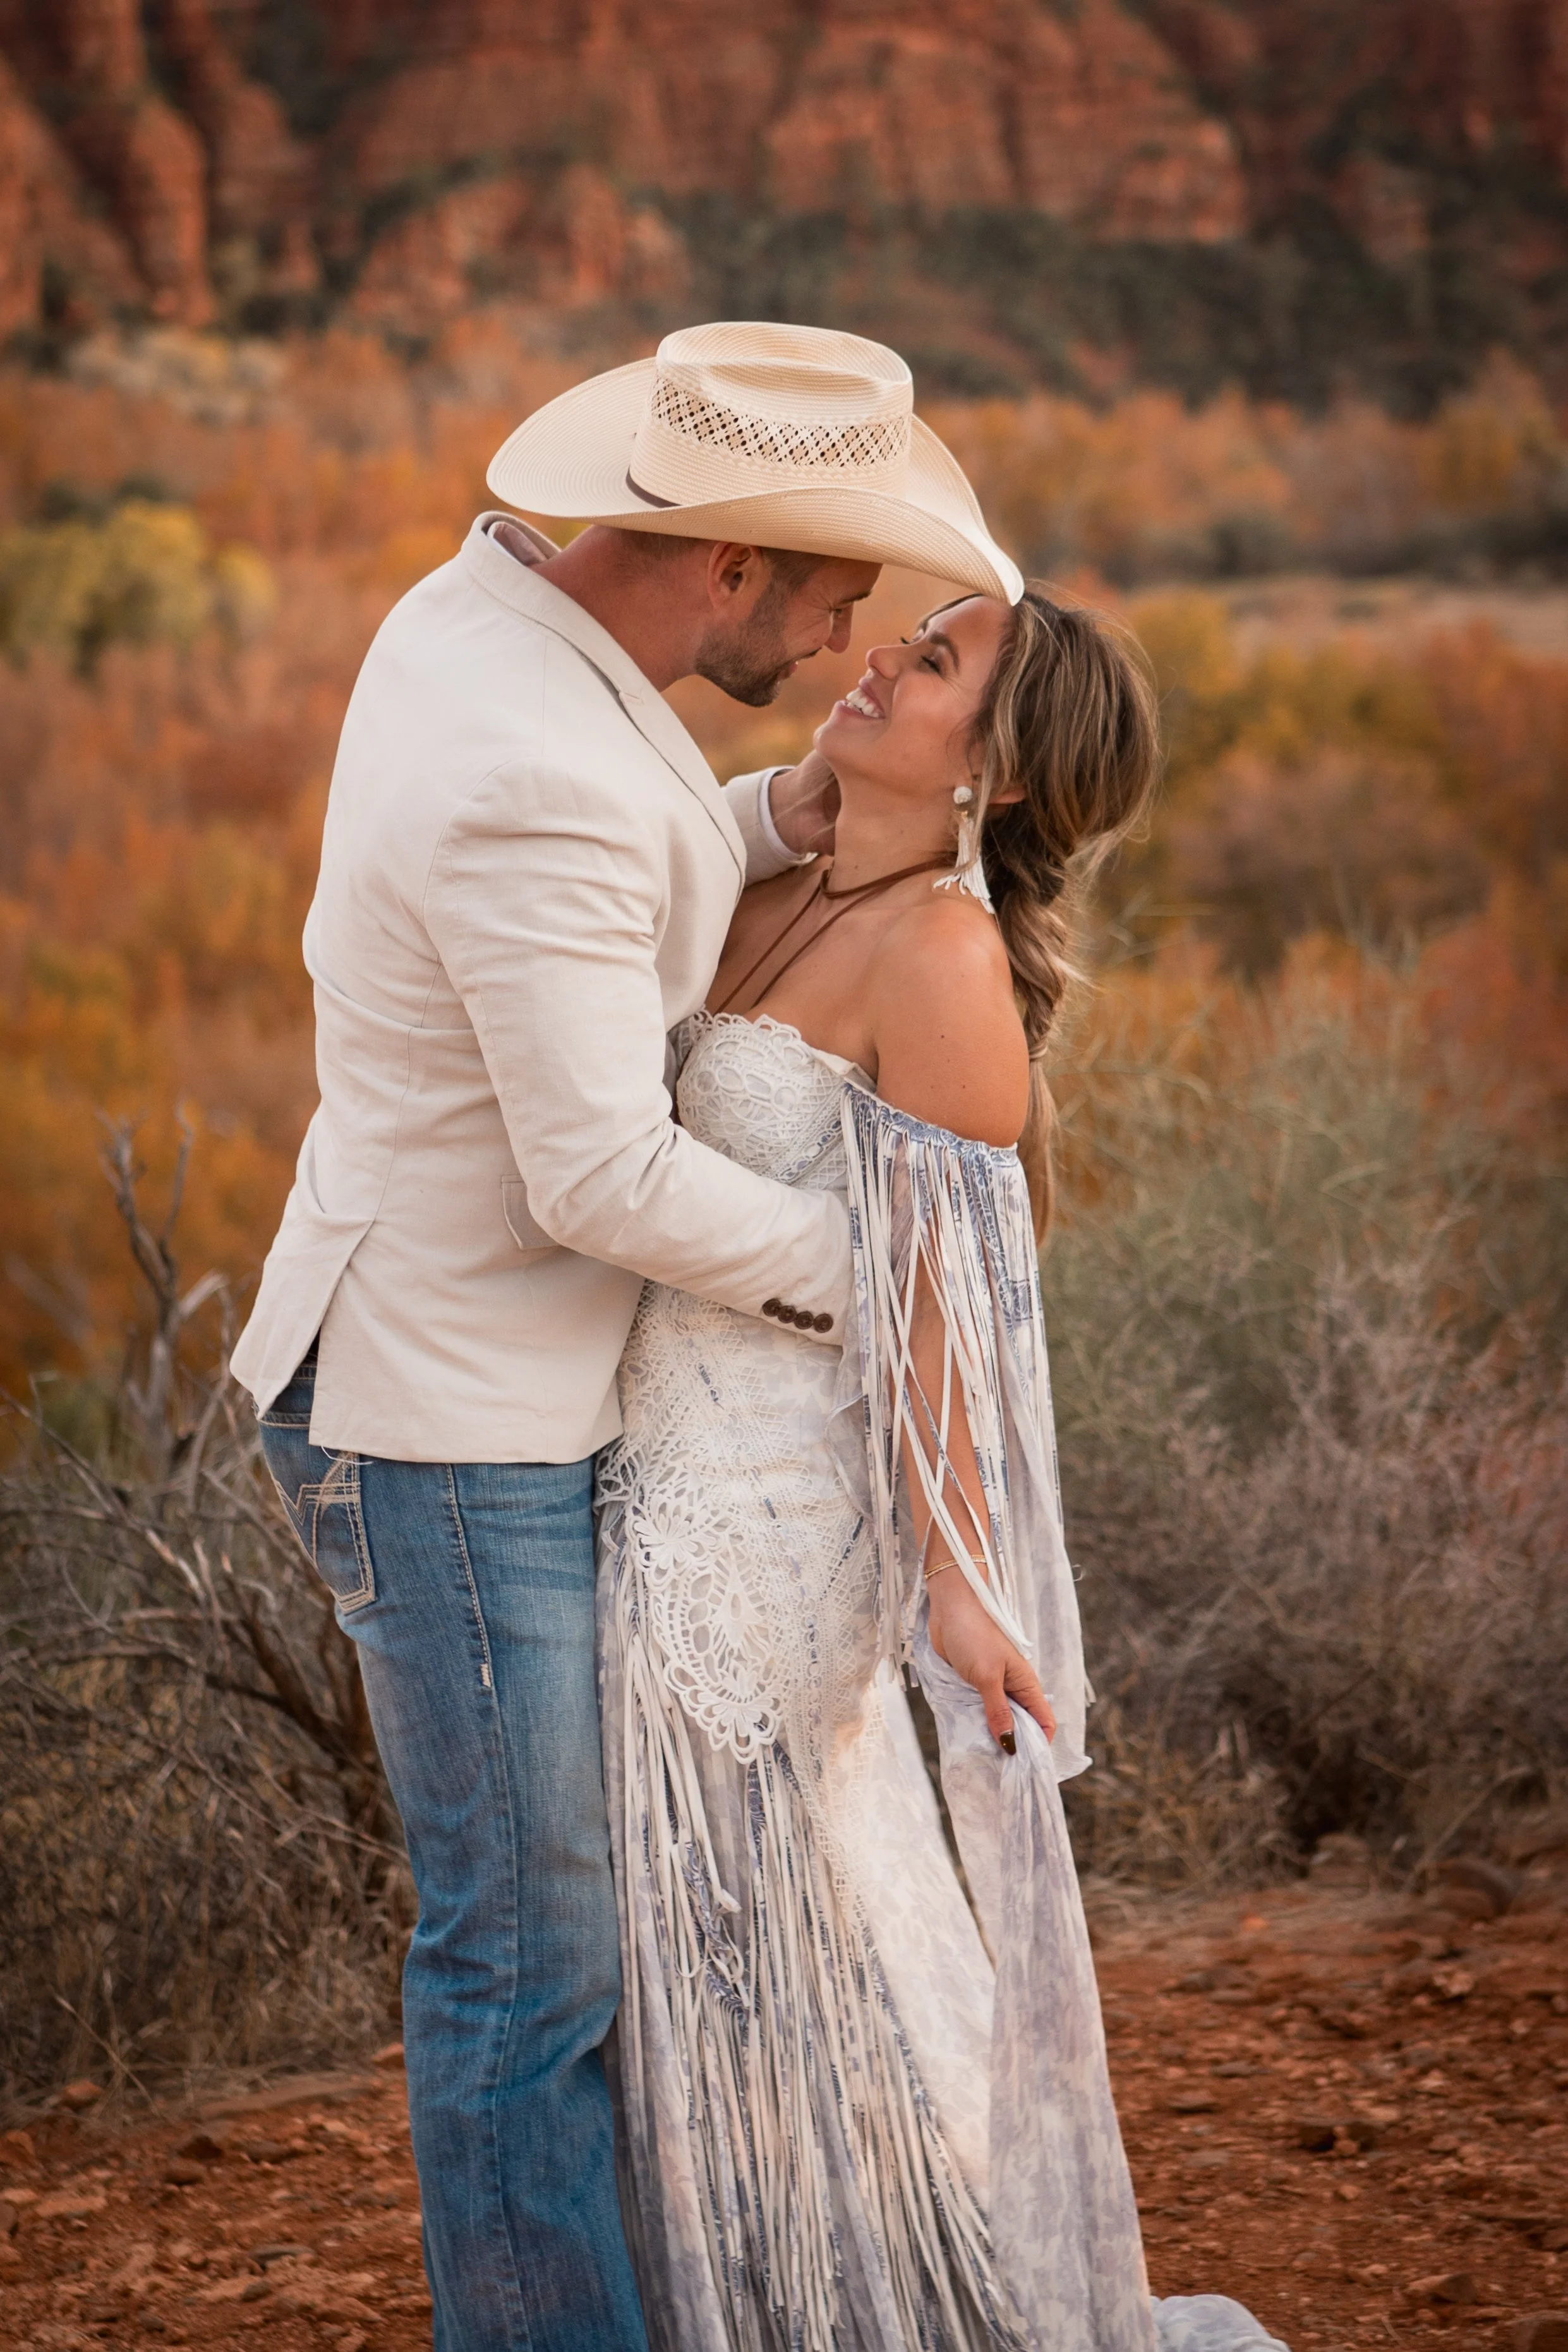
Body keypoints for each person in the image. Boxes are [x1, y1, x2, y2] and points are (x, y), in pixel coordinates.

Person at [228, 321, 1027, 2352]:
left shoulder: (491, 605)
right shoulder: (538, 769)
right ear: (732, 565)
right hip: (451, 1418)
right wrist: (892, 1286)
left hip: (468, 1362)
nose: (861, 618)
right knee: (529, 1970)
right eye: (835, 576)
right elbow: (601, 1182)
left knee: (566, 1952)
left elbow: (648, 833)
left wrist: (800, 811)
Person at [598, 590, 1290, 2352]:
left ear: (993, 767)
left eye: (929, 668)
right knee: (685, 1976)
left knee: (765, 1961)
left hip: (768, 1542)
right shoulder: (766, 879)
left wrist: (965, 1584)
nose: (874, 667)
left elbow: (942, 1319)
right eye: (896, 639)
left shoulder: (943, 963)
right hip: (630, 1479)